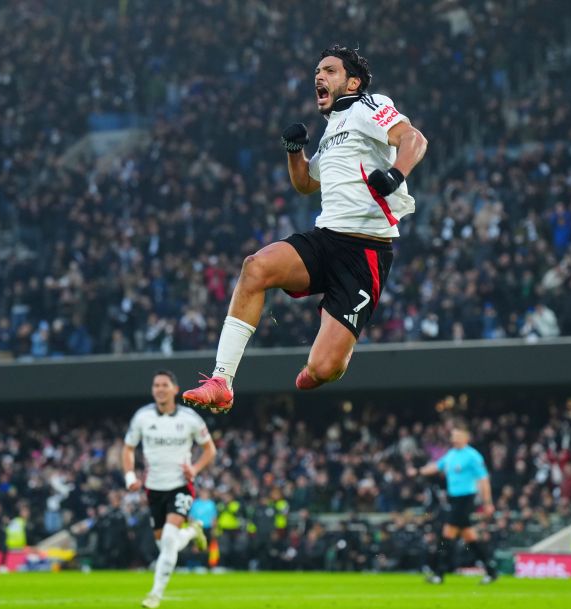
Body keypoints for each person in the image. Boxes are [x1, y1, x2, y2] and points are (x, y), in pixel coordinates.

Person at [182, 44, 428, 413]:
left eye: (329, 70)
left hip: (365, 253)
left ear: (353, 82)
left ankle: (322, 365)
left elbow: (414, 139)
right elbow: (306, 184)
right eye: (317, 72)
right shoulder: (331, 132)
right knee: (256, 267)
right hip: (326, 238)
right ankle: (222, 381)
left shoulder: (367, 106)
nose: (319, 76)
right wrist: (294, 151)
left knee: (325, 368)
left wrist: (394, 175)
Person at [123, 370, 218, 608]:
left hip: (180, 486)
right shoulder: (142, 417)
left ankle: (155, 595)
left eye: (165, 385)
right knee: (166, 543)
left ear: (175, 389)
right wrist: (129, 477)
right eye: (156, 385)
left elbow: (210, 450)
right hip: (154, 489)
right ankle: (192, 531)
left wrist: (194, 469)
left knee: (167, 539)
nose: (160, 389)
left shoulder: (190, 418)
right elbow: (127, 448)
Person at [408, 423, 498, 584]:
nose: (454, 439)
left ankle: (439, 573)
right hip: (454, 499)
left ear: (466, 438)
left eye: (457, 436)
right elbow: (437, 466)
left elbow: (484, 480)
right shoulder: (451, 454)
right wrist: (418, 471)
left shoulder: (473, 456)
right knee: (469, 537)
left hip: (466, 499)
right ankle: (491, 571)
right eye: (453, 436)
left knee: (447, 534)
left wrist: (487, 503)